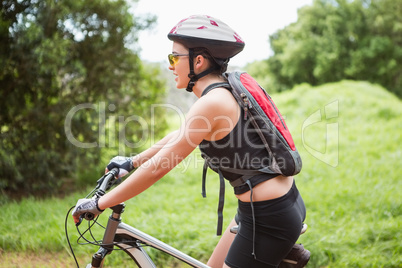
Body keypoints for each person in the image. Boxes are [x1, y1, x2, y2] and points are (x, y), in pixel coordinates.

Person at [72, 15, 307, 268]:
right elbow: (180, 136)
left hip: (268, 218)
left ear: (198, 60)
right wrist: (131, 162)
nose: (171, 65)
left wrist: (100, 203)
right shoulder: (223, 90)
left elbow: (159, 168)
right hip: (271, 206)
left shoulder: (212, 102)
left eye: (174, 57)